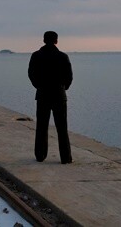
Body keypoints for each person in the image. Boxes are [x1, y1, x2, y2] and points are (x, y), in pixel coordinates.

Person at [28, 31, 73, 164]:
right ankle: (65, 158)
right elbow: (69, 76)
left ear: (43, 40)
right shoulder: (62, 56)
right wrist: (64, 88)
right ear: (56, 41)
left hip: (42, 94)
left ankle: (40, 155)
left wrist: (39, 86)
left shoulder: (36, 56)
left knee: (41, 126)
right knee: (62, 128)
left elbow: (31, 74)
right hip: (59, 95)